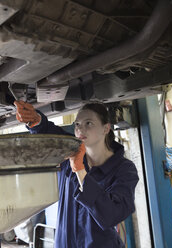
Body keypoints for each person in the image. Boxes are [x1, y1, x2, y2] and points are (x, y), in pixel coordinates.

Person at [14, 100, 139, 248]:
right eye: (77, 124)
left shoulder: (123, 169)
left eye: (89, 123)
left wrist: (80, 170)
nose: (80, 130)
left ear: (106, 128)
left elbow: (111, 215)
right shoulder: (69, 154)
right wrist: (36, 120)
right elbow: (51, 133)